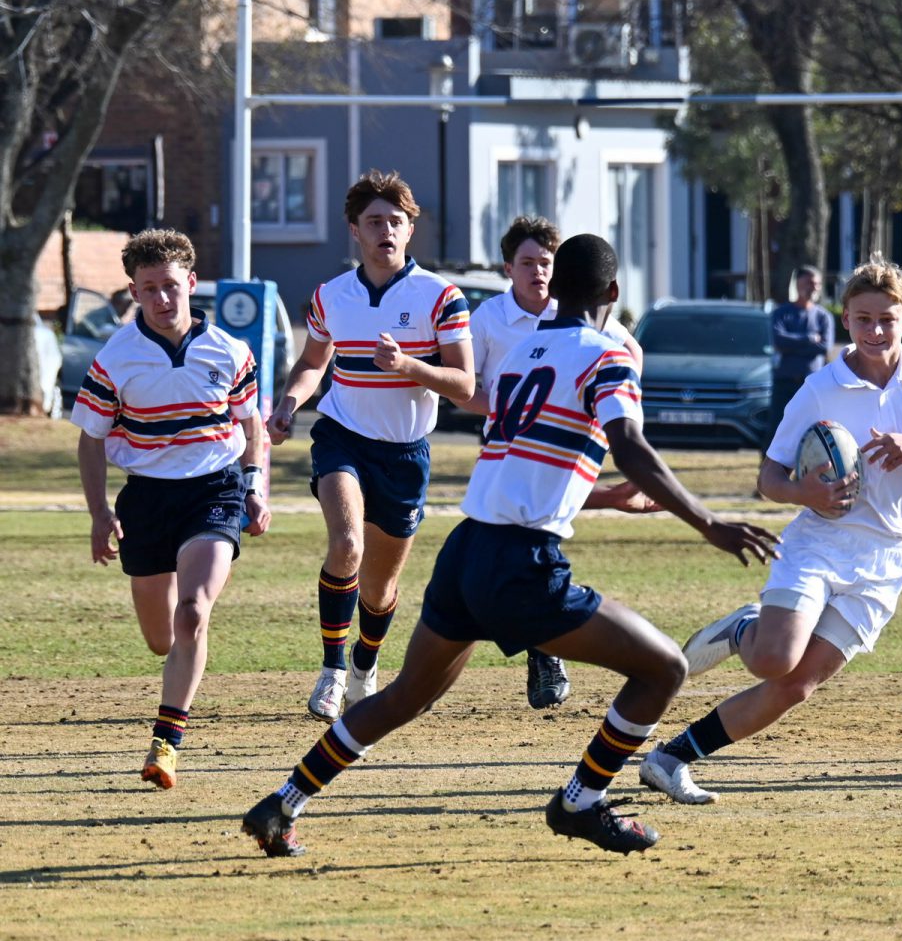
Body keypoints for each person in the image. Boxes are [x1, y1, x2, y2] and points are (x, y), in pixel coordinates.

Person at [241, 235, 779, 857]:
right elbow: (628, 443)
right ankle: (581, 801)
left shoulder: (525, 354)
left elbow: (527, 464)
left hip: (467, 550)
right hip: (521, 563)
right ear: (613, 294)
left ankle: (281, 803)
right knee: (665, 669)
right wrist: (709, 523)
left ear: (555, 288)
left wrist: (604, 497)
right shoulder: (608, 355)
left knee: (402, 697)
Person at [636, 255, 902, 804]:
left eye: (887, 319)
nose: (875, 331)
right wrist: (806, 493)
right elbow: (769, 477)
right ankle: (742, 630)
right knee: (772, 658)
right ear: (845, 319)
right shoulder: (819, 389)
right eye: (863, 318)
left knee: (795, 685)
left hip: (885, 559)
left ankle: (671, 758)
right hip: (819, 543)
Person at [267, 170, 475, 724]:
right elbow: (314, 362)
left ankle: (364, 664)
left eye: (396, 221)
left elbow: (466, 384)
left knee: (380, 590)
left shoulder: (441, 297)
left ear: (410, 230)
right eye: (374, 221)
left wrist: (409, 366)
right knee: (347, 546)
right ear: (354, 230)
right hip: (342, 437)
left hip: (405, 453)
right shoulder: (330, 296)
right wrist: (289, 403)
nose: (386, 230)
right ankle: (333, 670)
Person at [71, 228, 272, 788]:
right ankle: (178, 665)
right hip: (146, 498)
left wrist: (255, 487)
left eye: (171, 287)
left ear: (191, 282)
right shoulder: (116, 358)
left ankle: (167, 741)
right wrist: (97, 513)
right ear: (134, 292)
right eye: (149, 288)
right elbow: (90, 439)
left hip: (215, 490)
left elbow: (252, 426)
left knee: (193, 612)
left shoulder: (231, 351)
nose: (162, 299)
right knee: (162, 638)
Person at [458, 214, 652, 710]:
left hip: (554, 441)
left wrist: (620, 406)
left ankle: (541, 652)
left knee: (533, 539)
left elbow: (633, 352)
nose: (537, 272)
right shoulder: (490, 319)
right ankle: (535, 643)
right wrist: (514, 406)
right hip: (506, 445)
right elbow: (469, 389)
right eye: (528, 262)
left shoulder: (582, 322)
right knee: (522, 548)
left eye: (546, 262)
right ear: (509, 267)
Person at [765, 266, 836, 454]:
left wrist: (794, 343)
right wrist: (809, 339)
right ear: (797, 284)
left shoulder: (823, 317)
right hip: (784, 383)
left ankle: (807, 475)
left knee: (812, 431)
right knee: (777, 429)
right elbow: (779, 341)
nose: (813, 288)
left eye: (817, 284)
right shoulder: (782, 313)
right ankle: (769, 475)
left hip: (811, 385)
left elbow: (824, 347)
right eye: (809, 283)